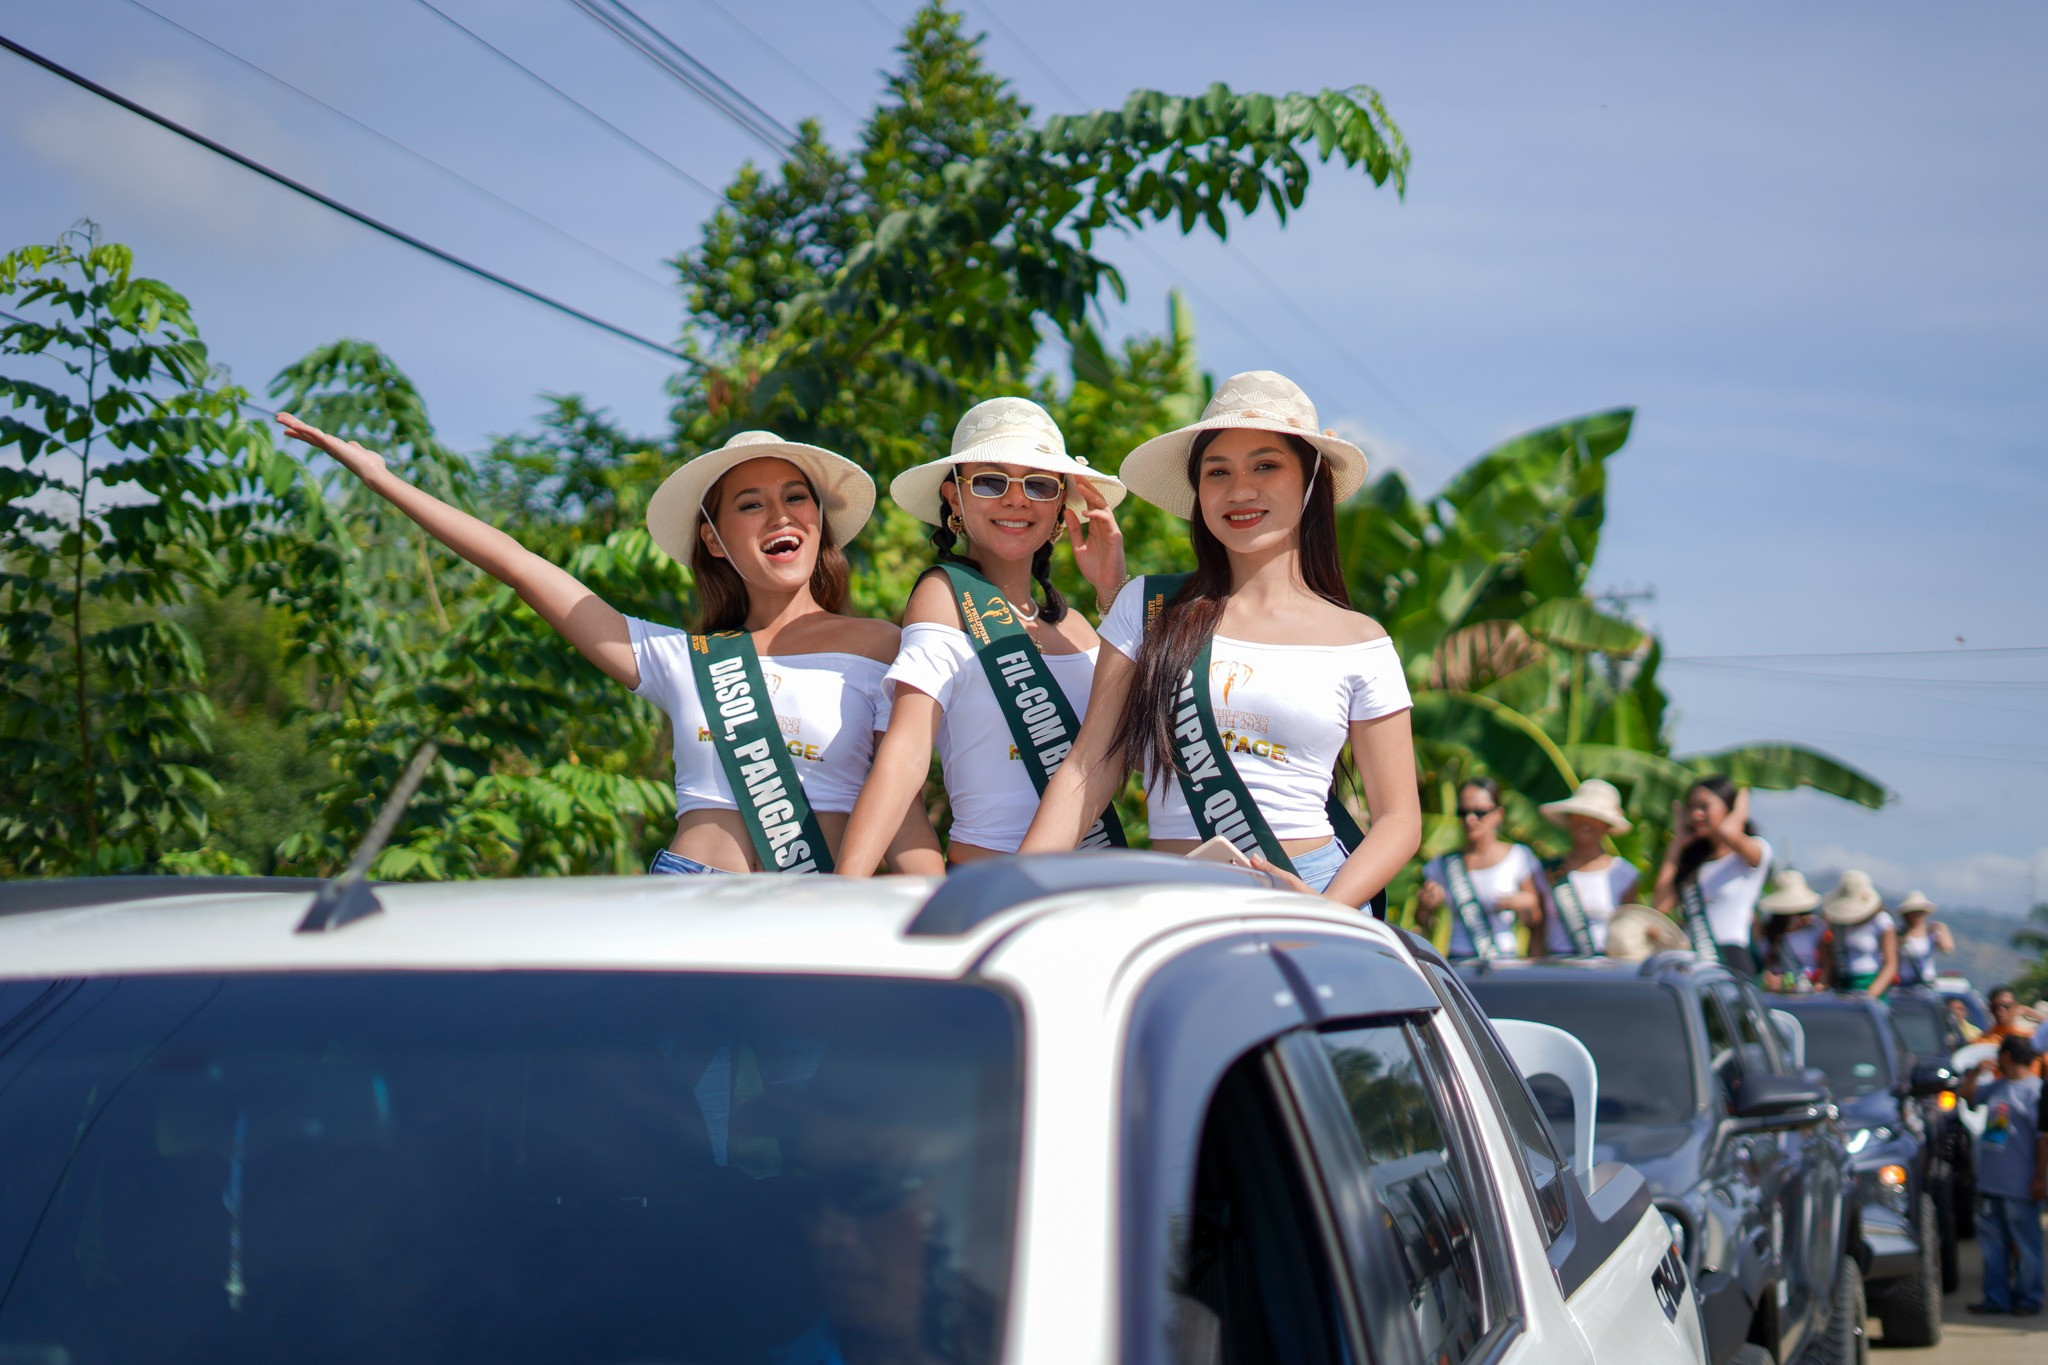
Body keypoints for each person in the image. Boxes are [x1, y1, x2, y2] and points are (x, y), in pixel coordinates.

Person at [276, 415, 942, 878]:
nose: (779, 516)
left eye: (796, 498)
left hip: (815, 899)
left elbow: (901, 800)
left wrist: (936, 919)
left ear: (819, 521)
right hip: (690, 896)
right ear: (713, 538)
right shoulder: (685, 660)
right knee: (683, 1088)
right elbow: (519, 564)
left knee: (801, 1089)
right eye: (750, 504)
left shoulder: (884, 645)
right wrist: (379, 478)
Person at [1018, 370, 1421, 904]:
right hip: (1174, 899)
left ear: (1310, 483)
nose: (1240, 490)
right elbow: (1089, 765)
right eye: (1217, 472)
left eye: (1266, 466)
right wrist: (1009, 890)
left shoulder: (1360, 641)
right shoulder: (1148, 607)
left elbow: (1398, 819)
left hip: (1311, 891)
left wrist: (1325, 912)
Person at [838, 398, 1128, 874]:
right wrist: (845, 886)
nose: (1017, 500)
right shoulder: (944, 597)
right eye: (992, 482)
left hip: (1094, 893)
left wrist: (1112, 592)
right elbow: (904, 753)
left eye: (1038, 485)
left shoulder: (1080, 629)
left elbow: (1137, 742)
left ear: (1060, 504)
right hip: (993, 893)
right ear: (955, 498)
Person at [1958, 1035, 2044, 1316]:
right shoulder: (1999, 1086)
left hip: (2019, 1184)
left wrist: (2040, 1178)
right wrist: (1974, 1073)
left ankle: (2029, 1297)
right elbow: (1968, 1096)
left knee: (2027, 1246)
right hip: (1992, 1183)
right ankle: (1997, 1298)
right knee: (1993, 1246)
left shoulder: (2036, 1092)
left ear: (2006, 1057)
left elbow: (2044, 1139)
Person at [1414, 777, 1546, 959]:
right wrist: (1427, 906)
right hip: (1460, 962)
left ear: (1498, 814)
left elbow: (1536, 920)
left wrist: (1525, 902)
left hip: (1505, 960)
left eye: (1479, 812)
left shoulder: (1519, 857)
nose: (1470, 819)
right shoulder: (1442, 864)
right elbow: (1423, 922)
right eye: (1462, 812)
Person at [1653, 776, 1770, 975]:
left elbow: (1727, 831)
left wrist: (1740, 806)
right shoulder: (1693, 862)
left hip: (1730, 958)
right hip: (1692, 960)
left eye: (1704, 806)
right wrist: (1676, 845)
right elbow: (1660, 907)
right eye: (1690, 807)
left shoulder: (1752, 852)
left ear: (1729, 809)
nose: (1696, 814)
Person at [1535, 778, 1637, 955]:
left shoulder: (1623, 874)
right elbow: (1537, 932)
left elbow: (1628, 933)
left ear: (1607, 825)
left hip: (1603, 972)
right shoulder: (1548, 870)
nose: (1586, 821)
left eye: (1595, 816)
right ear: (1569, 817)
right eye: (1580, 813)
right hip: (1555, 970)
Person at [1820, 869, 1898, 996]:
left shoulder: (1881, 920)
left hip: (1872, 984)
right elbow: (1830, 961)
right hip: (1843, 984)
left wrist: (1871, 995)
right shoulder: (1838, 923)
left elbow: (1890, 964)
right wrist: (1822, 983)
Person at [1755, 871, 1827, 993]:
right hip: (1778, 994)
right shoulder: (1768, 930)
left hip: (1810, 991)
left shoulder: (1816, 928)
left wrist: (1821, 983)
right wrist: (1770, 978)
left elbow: (1827, 962)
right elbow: (1763, 965)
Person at [1893, 891, 1953, 990]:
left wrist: (1942, 928)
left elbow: (1947, 948)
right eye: (1913, 912)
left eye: (1920, 913)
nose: (1916, 916)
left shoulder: (1932, 934)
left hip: (1927, 983)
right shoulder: (1899, 934)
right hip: (1903, 983)